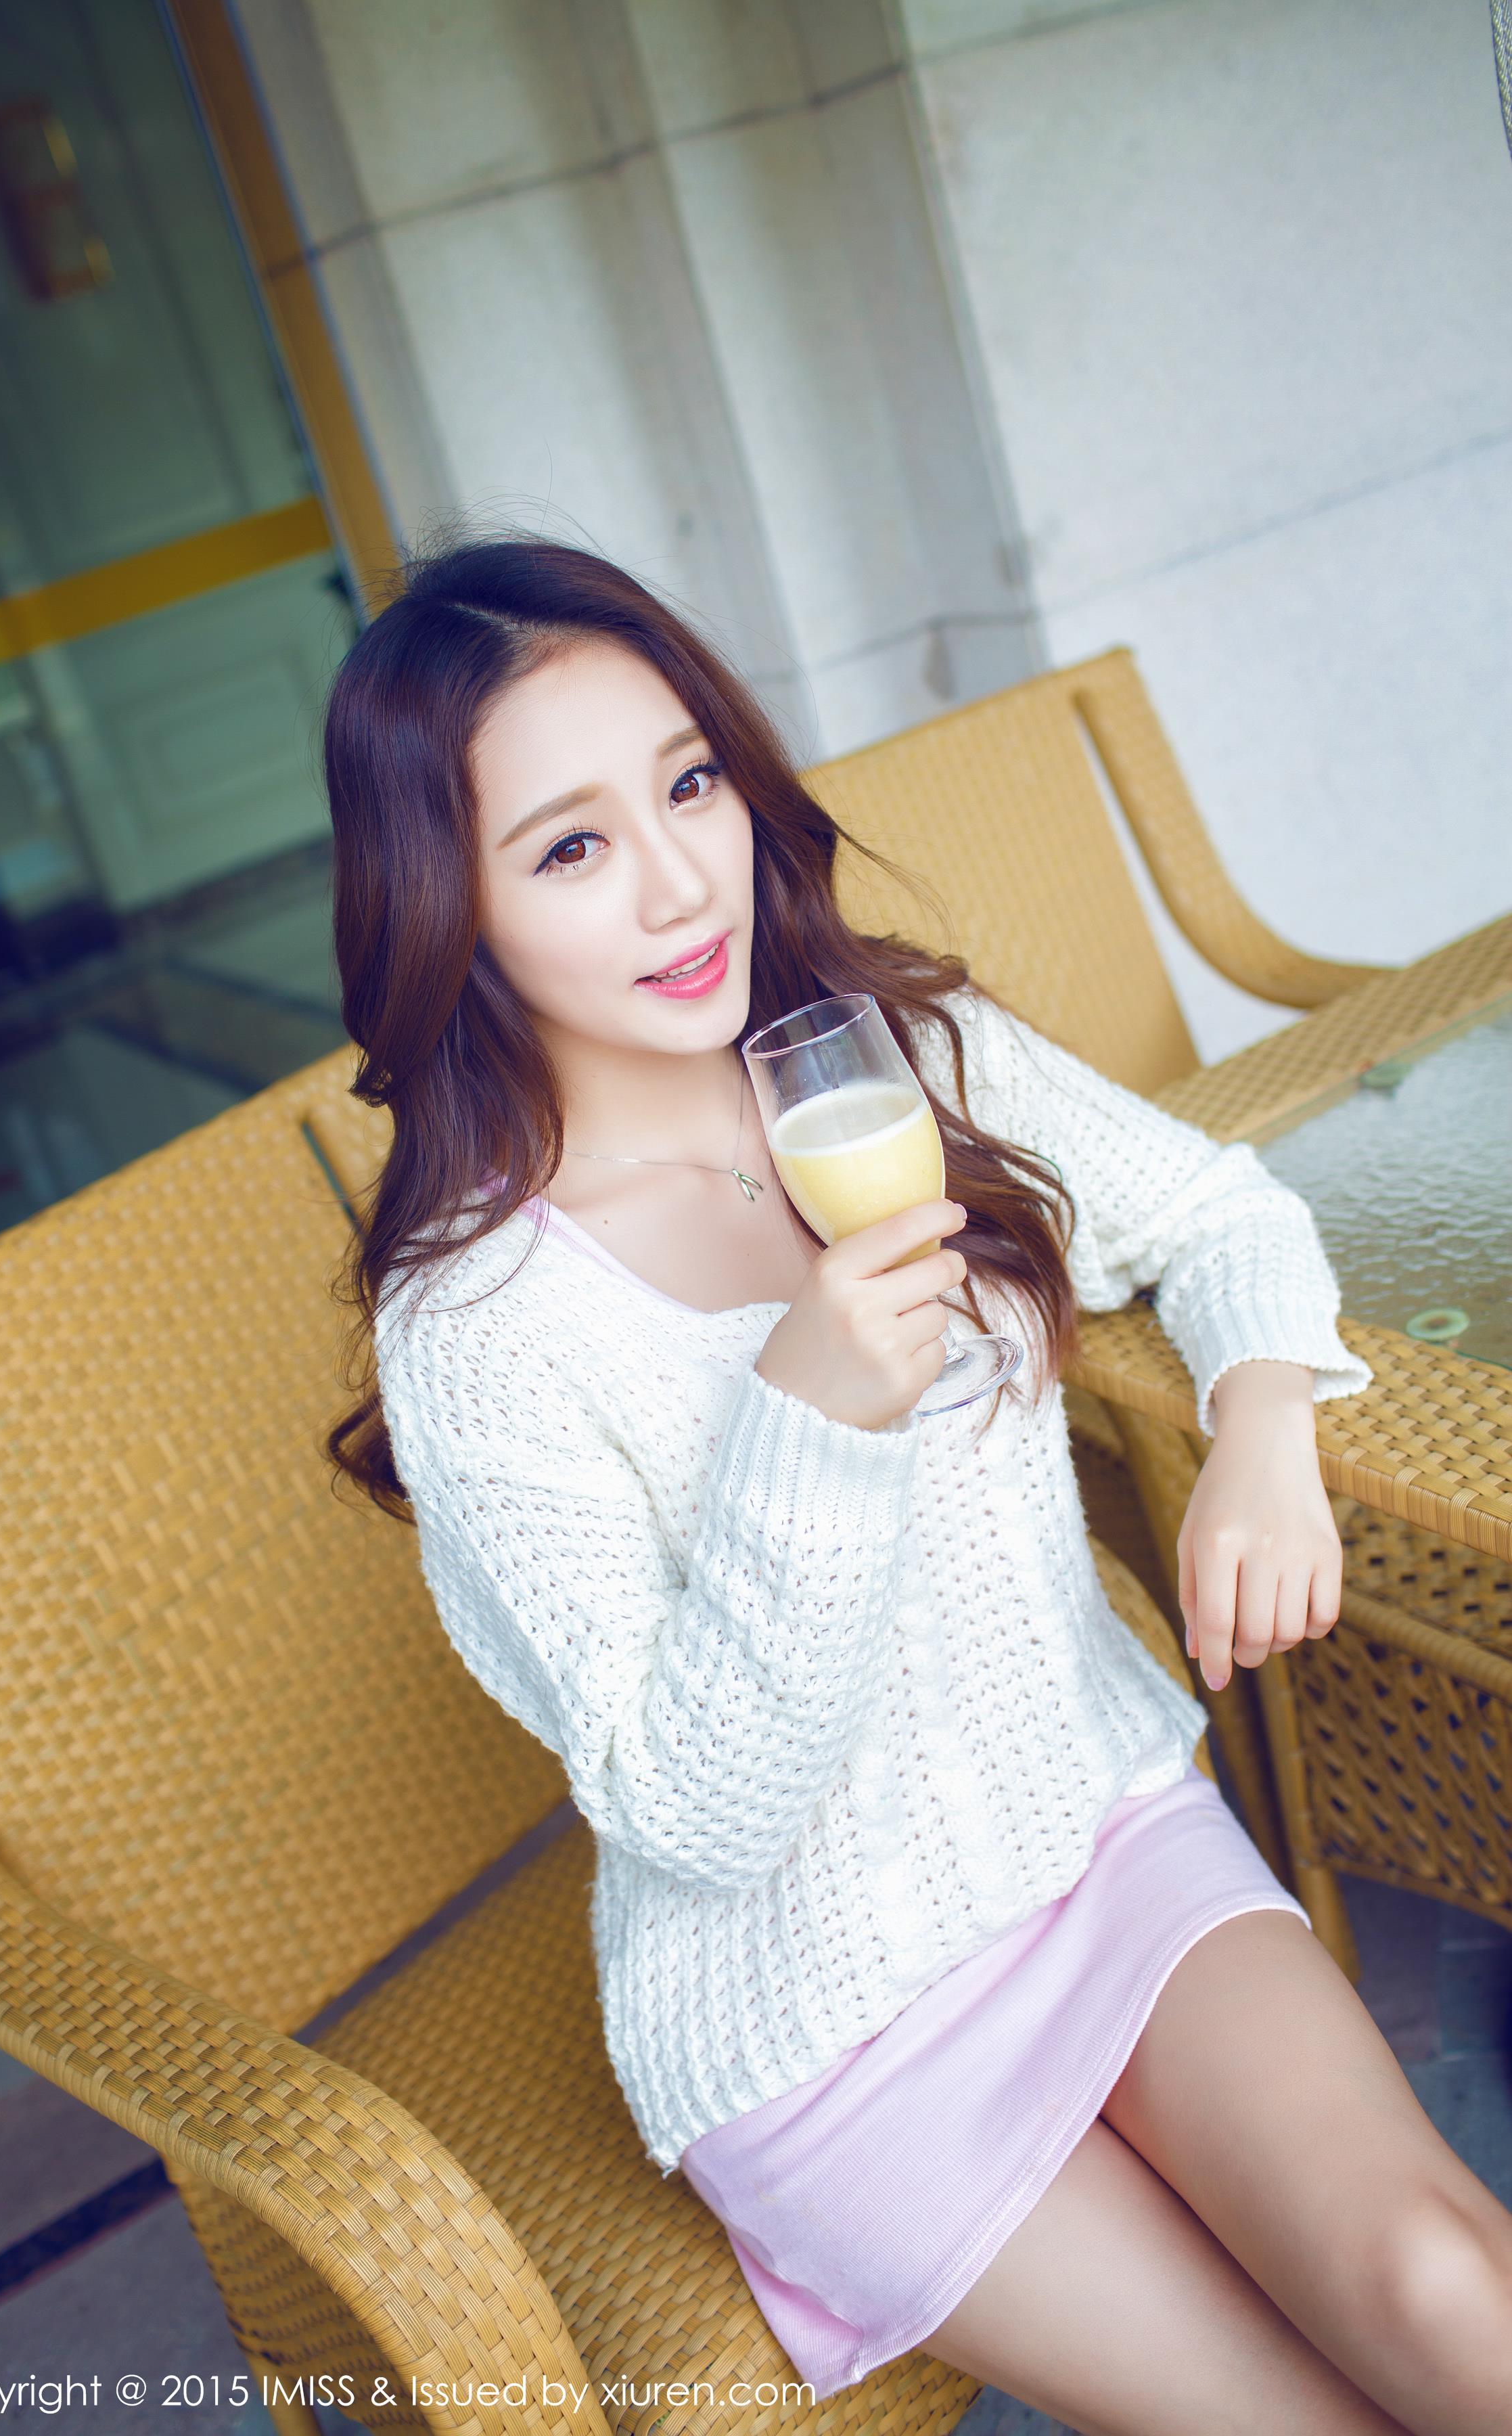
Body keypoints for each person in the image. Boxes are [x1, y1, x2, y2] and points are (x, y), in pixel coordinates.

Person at [322, 534, 1512, 2436]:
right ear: (443, 907)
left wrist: (1263, 1436)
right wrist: (811, 1416)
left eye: (689, 784)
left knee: (1449, 2290)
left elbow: (1218, 1214)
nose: (678, 881)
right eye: (571, 847)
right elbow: (694, 1812)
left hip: (1094, 1830)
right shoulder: (479, 1325)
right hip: (827, 2024)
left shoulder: (893, 1062)